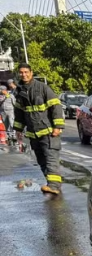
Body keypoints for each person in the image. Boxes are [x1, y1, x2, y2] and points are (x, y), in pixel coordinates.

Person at [12, 63, 65, 196]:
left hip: (48, 132)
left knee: (51, 159)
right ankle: (52, 183)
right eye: (21, 72)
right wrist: (18, 129)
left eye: (26, 72)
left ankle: (54, 186)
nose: (24, 74)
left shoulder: (42, 88)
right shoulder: (20, 91)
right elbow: (19, 113)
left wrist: (58, 126)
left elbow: (56, 106)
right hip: (33, 133)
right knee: (41, 160)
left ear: (31, 73)